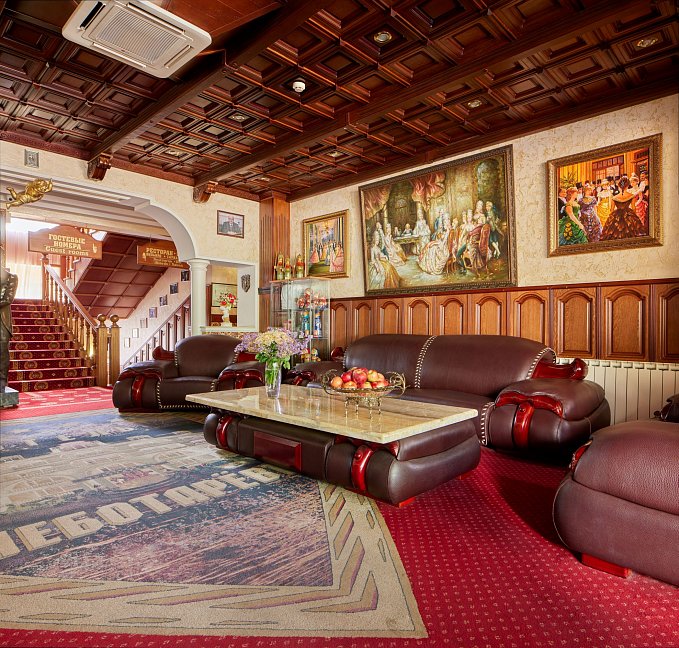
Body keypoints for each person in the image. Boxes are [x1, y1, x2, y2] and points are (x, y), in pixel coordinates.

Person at [601, 175, 645, 240]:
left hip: (616, 216)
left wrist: (612, 219)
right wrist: (634, 218)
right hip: (629, 215)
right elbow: (633, 208)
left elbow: (611, 210)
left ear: (619, 186)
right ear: (627, 186)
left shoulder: (614, 197)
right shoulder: (631, 196)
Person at [0, 267, 18, 392]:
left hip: (2, 320)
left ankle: (1, 382)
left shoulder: (11, 277)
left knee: (2, 352)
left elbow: (8, 299)